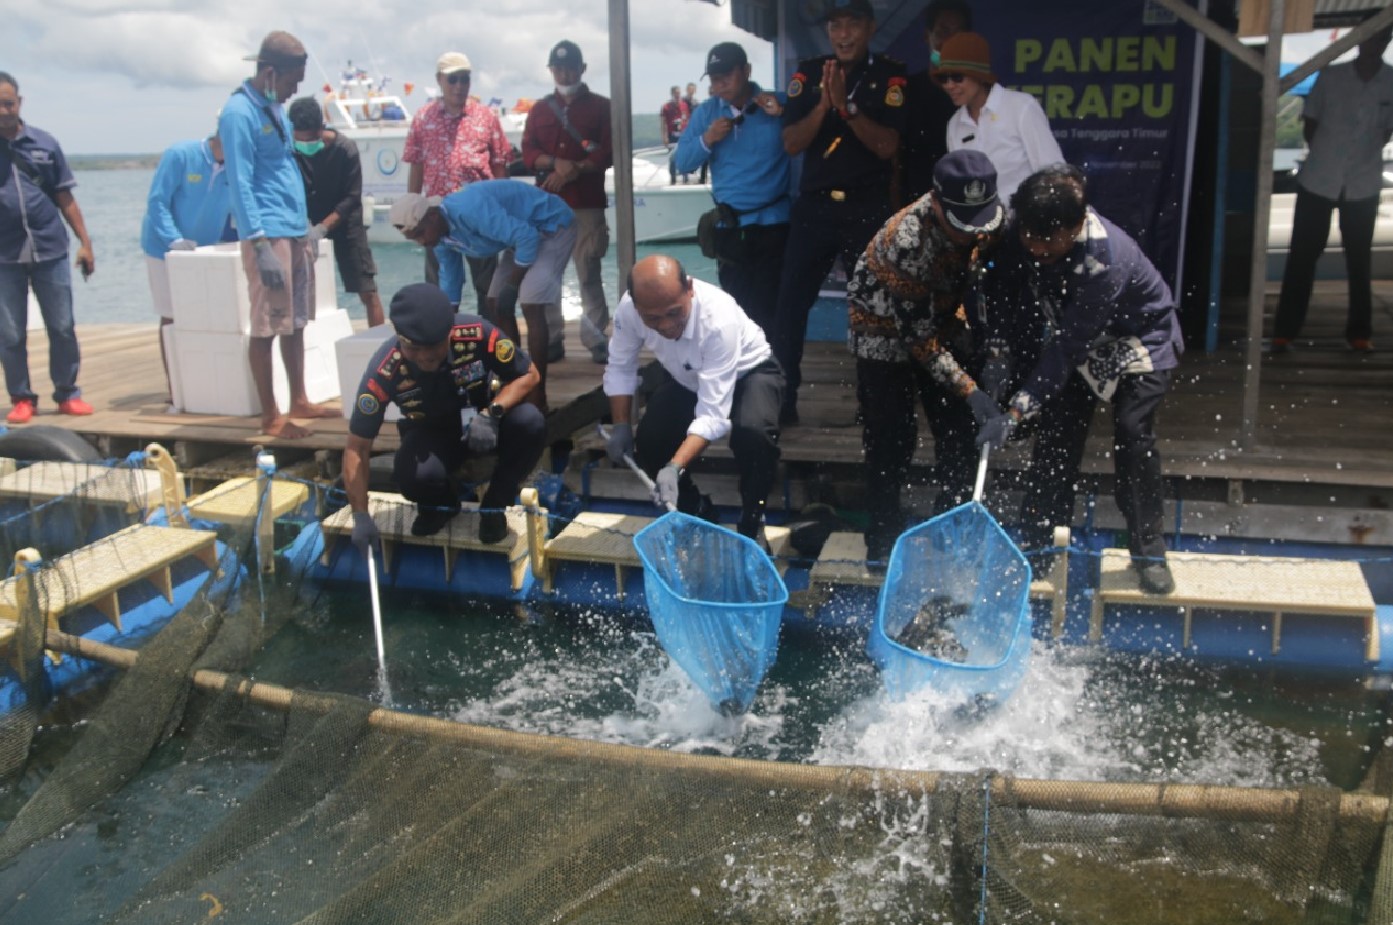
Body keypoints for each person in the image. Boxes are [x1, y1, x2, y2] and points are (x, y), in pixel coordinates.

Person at [976, 165, 1183, 594]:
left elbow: (1067, 349)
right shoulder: (1024, 232)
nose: (1036, 247)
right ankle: (1036, 543)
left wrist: (1016, 409)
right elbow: (1001, 291)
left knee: (1132, 431)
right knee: (1056, 433)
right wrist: (997, 354)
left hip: (1140, 339)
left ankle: (1149, 552)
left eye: (1048, 240)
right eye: (1030, 236)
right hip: (1083, 343)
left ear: (1076, 225)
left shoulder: (1105, 260)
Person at [847, 149, 1004, 562]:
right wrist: (972, 390)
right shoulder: (907, 242)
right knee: (891, 435)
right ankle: (881, 541)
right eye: (960, 224)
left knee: (956, 429)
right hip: (880, 324)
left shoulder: (991, 216)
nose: (971, 233)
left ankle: (951, 524)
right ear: (935, 201)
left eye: (978, 222)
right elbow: (919, 342)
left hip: (940, 312)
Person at [772, 0, 907, 425]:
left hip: (866, 210)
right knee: (789, 309)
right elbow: (791, 143)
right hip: (814, 210)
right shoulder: (809, 74)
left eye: (852, 25)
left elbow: (888, 146)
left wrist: (847, 108)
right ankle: (782, 402)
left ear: (869, 28)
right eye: (836, 26)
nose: (843, 35)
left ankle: (874, 408)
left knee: (874, 314)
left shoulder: (890, 75)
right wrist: (823, 106)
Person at [344, 283, 545, 547]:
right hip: (431, 434)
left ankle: (495, 503)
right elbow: (357, 447)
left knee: (531, 422)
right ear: (399, 337)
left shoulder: (477, 334)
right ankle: (443, 506)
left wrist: (493, 412)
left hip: (484, 422)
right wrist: (360, 515)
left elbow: (529, 373)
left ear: (449, 332)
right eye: (414, 349)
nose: (426, 358)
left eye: (434, 348)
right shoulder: (384, 371)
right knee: (411, 475)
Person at [603, 255, 785, 544]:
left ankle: (753, 523)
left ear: (689, 289)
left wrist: (675, 467)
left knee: (753, 435)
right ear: (635, 305)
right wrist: (621, 425)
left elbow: (713, 415)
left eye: (674, 313)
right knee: (650, 440)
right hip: (688, 377)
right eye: (652, 318)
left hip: (749, 373)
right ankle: (695, 513)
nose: (665, 326)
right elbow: (620, 366)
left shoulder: (718, 319)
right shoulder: (628, 310)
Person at [219, 30, 332, 439]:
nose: (293, 91)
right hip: (268, 233)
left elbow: (283, 167)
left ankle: (298, 398)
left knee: (296, 320)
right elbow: (240, 182)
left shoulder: (274, 109)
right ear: (269, 72)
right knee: (268, 323)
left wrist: (304, 224)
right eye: (290, 82)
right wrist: (260, 244)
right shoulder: (238, 114)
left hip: (292, 228)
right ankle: (271, 415)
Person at [387, 183, 575, 412]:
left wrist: (513, 284)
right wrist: (444, 324)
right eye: (413, 238)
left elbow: (527, 236)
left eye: (420, 233)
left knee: (530, 304)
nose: (421, 242)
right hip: (520, 237)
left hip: (551, 226)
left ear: (433, 216)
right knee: (495, 302)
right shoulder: (439, 239)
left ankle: (538, 395)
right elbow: (451, 280)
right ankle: (517, 378)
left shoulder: (470, 210)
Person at [1272, 17, 1393, 354]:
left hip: (1363, 183)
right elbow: (1310, 124)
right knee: (1302, 257)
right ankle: (1284, 332)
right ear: (1357, 41)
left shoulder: (1391, 82)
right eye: (1369, 38)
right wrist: (1329, 154)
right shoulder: (1331, 76)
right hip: (1318, 179)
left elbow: (1387, 132)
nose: (1374, 44)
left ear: (1387, 41)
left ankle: (1359, 333)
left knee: (1359, 261)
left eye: (1382, 37)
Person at [674, 41, 791, 336]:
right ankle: (743, 376)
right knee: (735, 310)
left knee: (771, 311)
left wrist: (786, 113)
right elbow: (683, 162)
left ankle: (773, 376)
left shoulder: (776, 103)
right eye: (713, 78)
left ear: (747, 71)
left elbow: (811, 137)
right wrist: (707, 138)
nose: (720, 82)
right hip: (730, 227)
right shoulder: (705, 113)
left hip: (775, 224)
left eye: (727, 74)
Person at [0, 71, 95, 425]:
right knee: (9, 334)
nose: (3, 111)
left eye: (8, 103)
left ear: (19, 103)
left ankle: (68, 392)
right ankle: (22, 397)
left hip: (50, 249)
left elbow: (65, 197)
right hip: (4, 256)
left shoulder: (44, 144)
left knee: (62, 326)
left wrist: (85, 243)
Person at [521, 40, 614, 366]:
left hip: (586, 203)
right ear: (551, 70)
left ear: (582, 68)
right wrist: (555, 163)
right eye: (558, 67)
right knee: (548, 273)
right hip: (547, 205)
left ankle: (598, 338)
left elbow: (609, 151)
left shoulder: (603, 107)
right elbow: (528, 152)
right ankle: (552, 339)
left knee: (588, 270)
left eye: (570, 66)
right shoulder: (540, 110)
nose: (564, 72)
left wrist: (576, 169)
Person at [402, 52, 512, 313]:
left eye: (465, 79)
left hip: (480, 216)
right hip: (435, 216)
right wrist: (412, 209)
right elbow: (416, 164)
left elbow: (499, 165)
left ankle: (490, 342)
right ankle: (440, 340)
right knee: (440, 286)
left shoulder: (486, 116)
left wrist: (504, 212)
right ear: (440, 80)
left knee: (488, 286)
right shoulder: (422, 118)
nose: (459, 86)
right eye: (453, 80)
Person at [140, 129, 235, 397]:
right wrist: (173, 240)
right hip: (163, 248)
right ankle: (176, 387)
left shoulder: (237, 166)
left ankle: (201, 380)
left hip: (202, 251)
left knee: (203, 313)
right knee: (170, 315)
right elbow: (157, 201)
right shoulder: (180, 154)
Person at [287, 97, 385, 327]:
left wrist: (323, 228)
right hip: (305, 222)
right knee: (297, 289)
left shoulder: (346, 149)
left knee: (367, 291)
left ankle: (380, 342)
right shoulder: (289, 150)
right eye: (300, 140)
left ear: (322, 128)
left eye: (311, 140)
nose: (306, 145)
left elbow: (352, 197)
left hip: (345, 222)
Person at [939, 32, 1062, 203]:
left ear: (978, 75)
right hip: (980, 226)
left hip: (1026, 223)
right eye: (943, 78)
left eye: (957, 77)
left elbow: (1054, 174)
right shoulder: (954, 124)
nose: (949, 85)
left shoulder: (1021, 107)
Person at [900, 0, 972, 203]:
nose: (949, 41)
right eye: (942, 31)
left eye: (957, 34)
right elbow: (895, 160)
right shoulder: (907, 91)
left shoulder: (977, 95)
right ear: (927, 36)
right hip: (915, 206)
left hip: (966, 206)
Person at [660, 85, 691, 185]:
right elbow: (663, 122)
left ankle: (685, 178)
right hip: (672, 135)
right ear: (672, 94)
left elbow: (688, 119)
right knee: (672, 158)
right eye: (676, 93)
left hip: (683, 135)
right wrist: (664, 137)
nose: (678, 95)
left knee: (685, 156)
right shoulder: (666, 107)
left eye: (679, 93)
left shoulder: (684, 105)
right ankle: (673, 179)